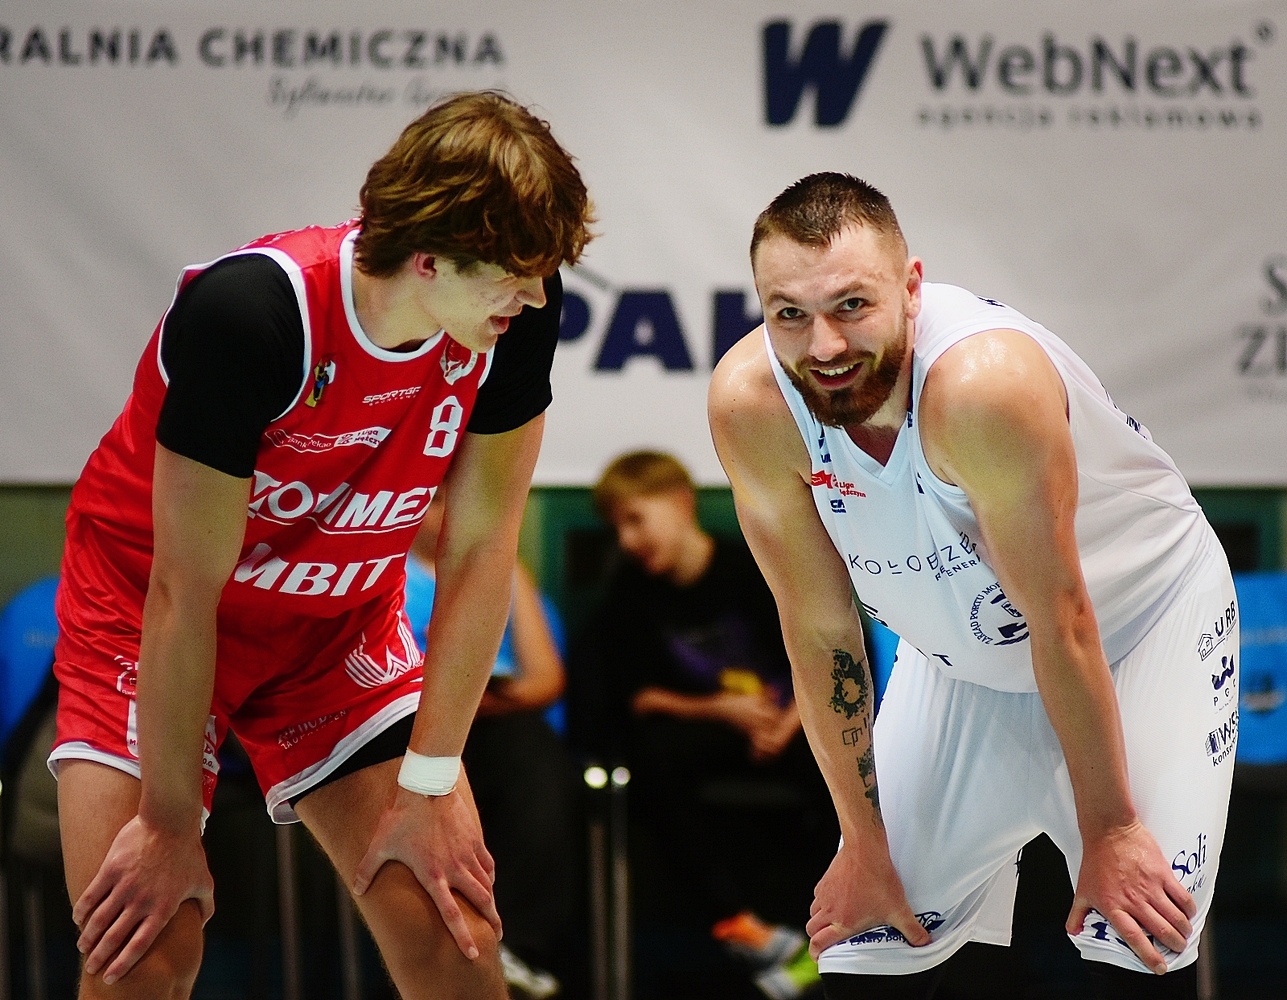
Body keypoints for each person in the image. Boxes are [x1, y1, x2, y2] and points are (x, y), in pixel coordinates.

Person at [49, 91, 594, 999]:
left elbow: (481, 552)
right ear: (429, 257)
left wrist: (428, 787)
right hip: (149, 615)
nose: (537, 297)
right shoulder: (250, 314)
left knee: (453, 932)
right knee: (145, 949)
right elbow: (184, 592)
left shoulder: (513, 318)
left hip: (335, 627)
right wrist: (170, 828)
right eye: (515, 274)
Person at [707, 173, 1236, 1000]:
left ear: (911, 288)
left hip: (1135, 628)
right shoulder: (752, 406)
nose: (824, 347)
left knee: (1137, 935)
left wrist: (1111, 829)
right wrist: (862, 844)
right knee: (866, 944)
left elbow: (1060, 619)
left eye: (852, 306)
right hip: (957, 657)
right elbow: (818, 631)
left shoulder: (983, 387)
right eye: (789, 314)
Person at [585, 451, 838, 996]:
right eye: (617, 528)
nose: (627, 540)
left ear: (681, 503)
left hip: (793, 722)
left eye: (636, 519)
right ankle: (737, 923)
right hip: (710, 733)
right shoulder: (629, 593)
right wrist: (720, 710)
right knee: (652, 755)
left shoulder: (752, 569)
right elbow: (638, 698)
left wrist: (789, 723)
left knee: (844, 759)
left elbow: (826, 658)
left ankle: (834, 936)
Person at [403, 493, 580, 998]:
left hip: (500, 723)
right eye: (436, 502)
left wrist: (478, 695)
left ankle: (518, 950)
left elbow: (544, 680)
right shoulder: (388, 578)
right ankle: (434, 957)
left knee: (538, 764)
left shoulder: (505, 573)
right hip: (416, 730)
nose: (448, 514)